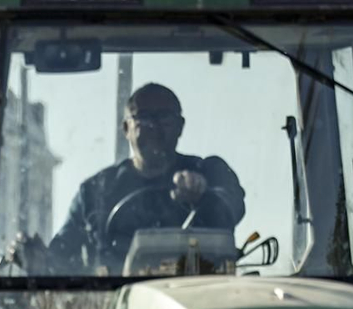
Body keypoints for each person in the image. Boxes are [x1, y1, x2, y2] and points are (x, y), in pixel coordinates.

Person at [15, 83, 246, 272]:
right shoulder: (96, 192)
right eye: (143, 118)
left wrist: (204, 196)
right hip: (114, 307)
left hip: (197, 297)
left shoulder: (210, 173)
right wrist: (38, 260)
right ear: (126, 128)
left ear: (180, 126)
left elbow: (232, 205)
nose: (154, 127)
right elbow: (62, 258)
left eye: (164, 118)